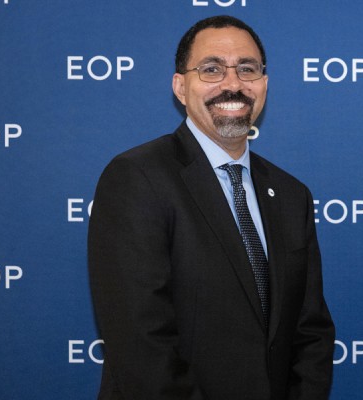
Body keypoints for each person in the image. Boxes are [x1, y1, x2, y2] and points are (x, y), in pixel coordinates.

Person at [88, 15, 335, 400]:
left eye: (247, 69)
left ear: (264, 85)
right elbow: (141, 343)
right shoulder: (137, 177)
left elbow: (311, 332)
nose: (233, 83)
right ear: (180, 87)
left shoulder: (291, 195)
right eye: (212, 69)